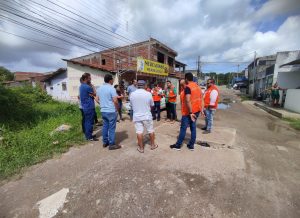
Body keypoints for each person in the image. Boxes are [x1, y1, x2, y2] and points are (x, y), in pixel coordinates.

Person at [170, 73, 203, 151]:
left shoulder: (188, 87)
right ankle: (191, 146)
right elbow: (201, 99)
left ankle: (178, 145)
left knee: (183, 128)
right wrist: (201, 109)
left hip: (189, 112)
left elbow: (188, 100)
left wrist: (191, 112)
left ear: (186, 79)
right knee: (193, 128)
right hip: (196, 111)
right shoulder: (198, 87)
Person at [130, 80, 158, 153]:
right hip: (147, 116)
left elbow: (131, 105)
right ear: (145, 85)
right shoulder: (148, 94)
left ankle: (141, 148)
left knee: (139, 132)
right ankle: (152, 145)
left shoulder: (132, 94)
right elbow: (152, 105)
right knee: (150, 130)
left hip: (137, 116)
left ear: (137, 85)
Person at [97, 74, 122, 150]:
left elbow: (96, 98)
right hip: (111, 111)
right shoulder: (111, 89)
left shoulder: (99, 88)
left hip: (103, 110)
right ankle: (111, 144)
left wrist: (102, 104)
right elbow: (115, 101)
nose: (113, 81)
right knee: (111, 128)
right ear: (110, 80)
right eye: (112, 79)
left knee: (105, 126)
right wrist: (117, 109)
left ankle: (105, 142)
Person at [79, 73, 98, 141]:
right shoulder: (87, 87)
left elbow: (91, 95)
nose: (90, 79)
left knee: (87, 121)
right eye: (89, 78)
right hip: (89, 107)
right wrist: (92, 86)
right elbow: (95, 94)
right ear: (86, 78)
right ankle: (89, 137)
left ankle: (88, 135)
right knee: (89, 122)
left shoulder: (81, 86)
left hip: (85, 107)